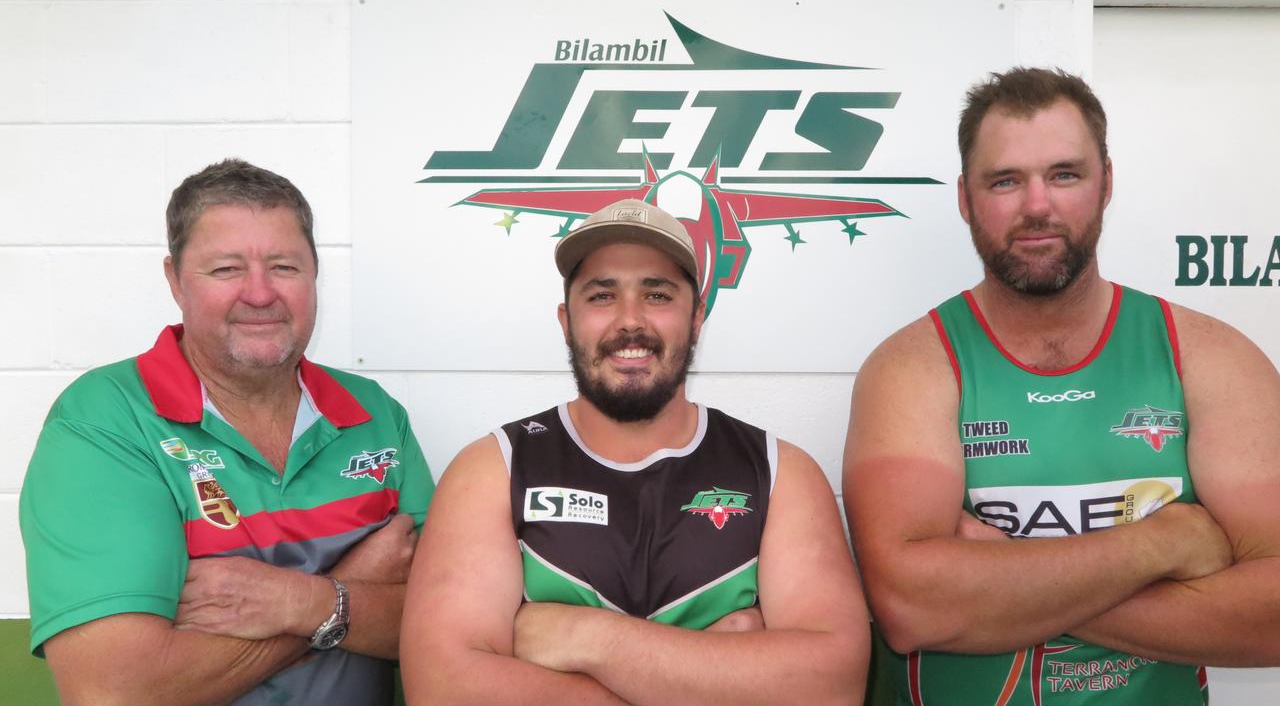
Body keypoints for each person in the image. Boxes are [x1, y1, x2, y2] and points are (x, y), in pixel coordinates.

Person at [844, 67, 1280, 704]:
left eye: (1065, 174)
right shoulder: (913, 368)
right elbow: (912, 608)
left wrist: (998, 587)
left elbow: (1272, 616)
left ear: (1106, 182)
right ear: (966, 198)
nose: (1038, 205)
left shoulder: (1211, 359)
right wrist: (1165, 544)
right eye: (1005, 181)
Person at [401, 198, 868, 704]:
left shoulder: (780, 474)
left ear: (696, 318)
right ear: (566, 320)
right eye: (602, 296)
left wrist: (584, 638)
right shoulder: (494, 468)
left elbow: (831, 685)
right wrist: (719, 674)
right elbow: (443, 687)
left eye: (658, 294)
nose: (630, 321)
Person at [20, 159, 435, 705]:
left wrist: (301, 602)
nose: (260, 294)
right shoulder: (105, 421)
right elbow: (116, 692)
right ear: (174, 280)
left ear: (315, 273)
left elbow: (448, 621)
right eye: (225, 269)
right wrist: (347, 594)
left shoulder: (375, 414)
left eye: (284, 267)